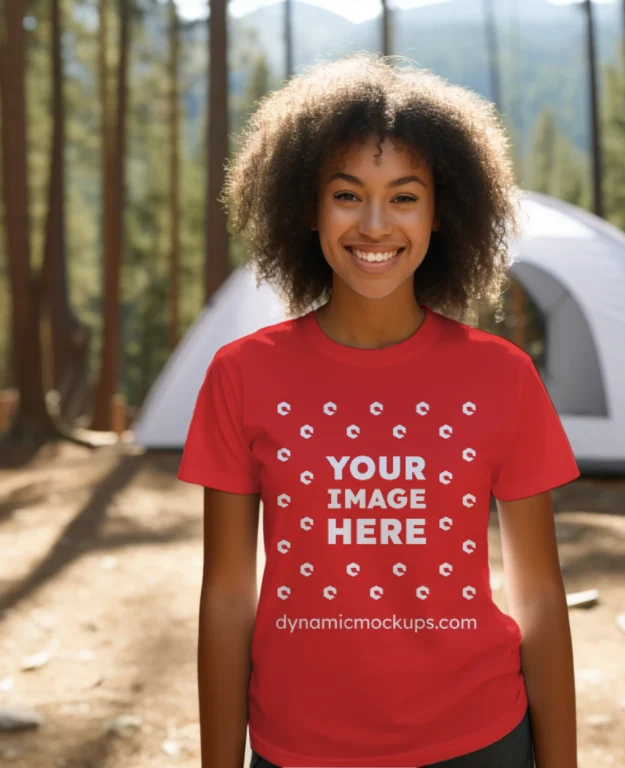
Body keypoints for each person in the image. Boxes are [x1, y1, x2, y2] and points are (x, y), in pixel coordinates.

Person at [178, 52, 580, 768]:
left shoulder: (503, 377)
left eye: (403, 196)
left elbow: (540, 597)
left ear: (440, 210)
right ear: (305, 205)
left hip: (480, 740)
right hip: (299, 747)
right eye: (345, 194)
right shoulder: (242, 375)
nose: (373, 224)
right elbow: (227, 597)